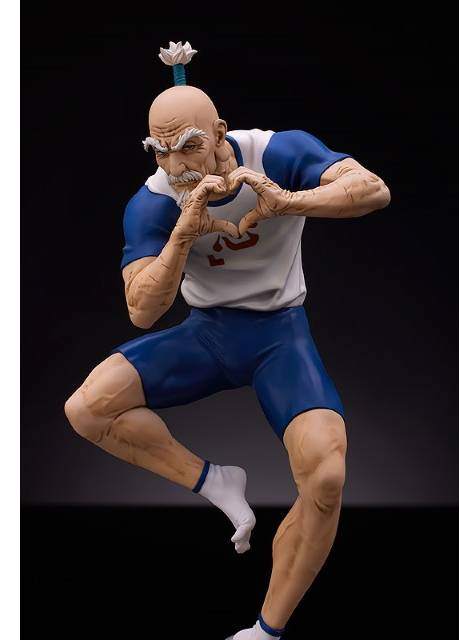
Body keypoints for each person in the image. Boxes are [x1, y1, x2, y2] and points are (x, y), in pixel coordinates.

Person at [64, 42, 391, 640]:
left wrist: (288, 200)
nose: (177, 165)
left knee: (326, 477)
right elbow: (141, 312)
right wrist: (182, 235)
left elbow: (372, 190)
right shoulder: (155, 201)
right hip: (208, 335)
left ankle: (267, 629)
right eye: (161, 150)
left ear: (220, 132)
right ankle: (214, 481)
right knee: (87, 409)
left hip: (278, 337)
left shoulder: (275, 152)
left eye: (190, 145)